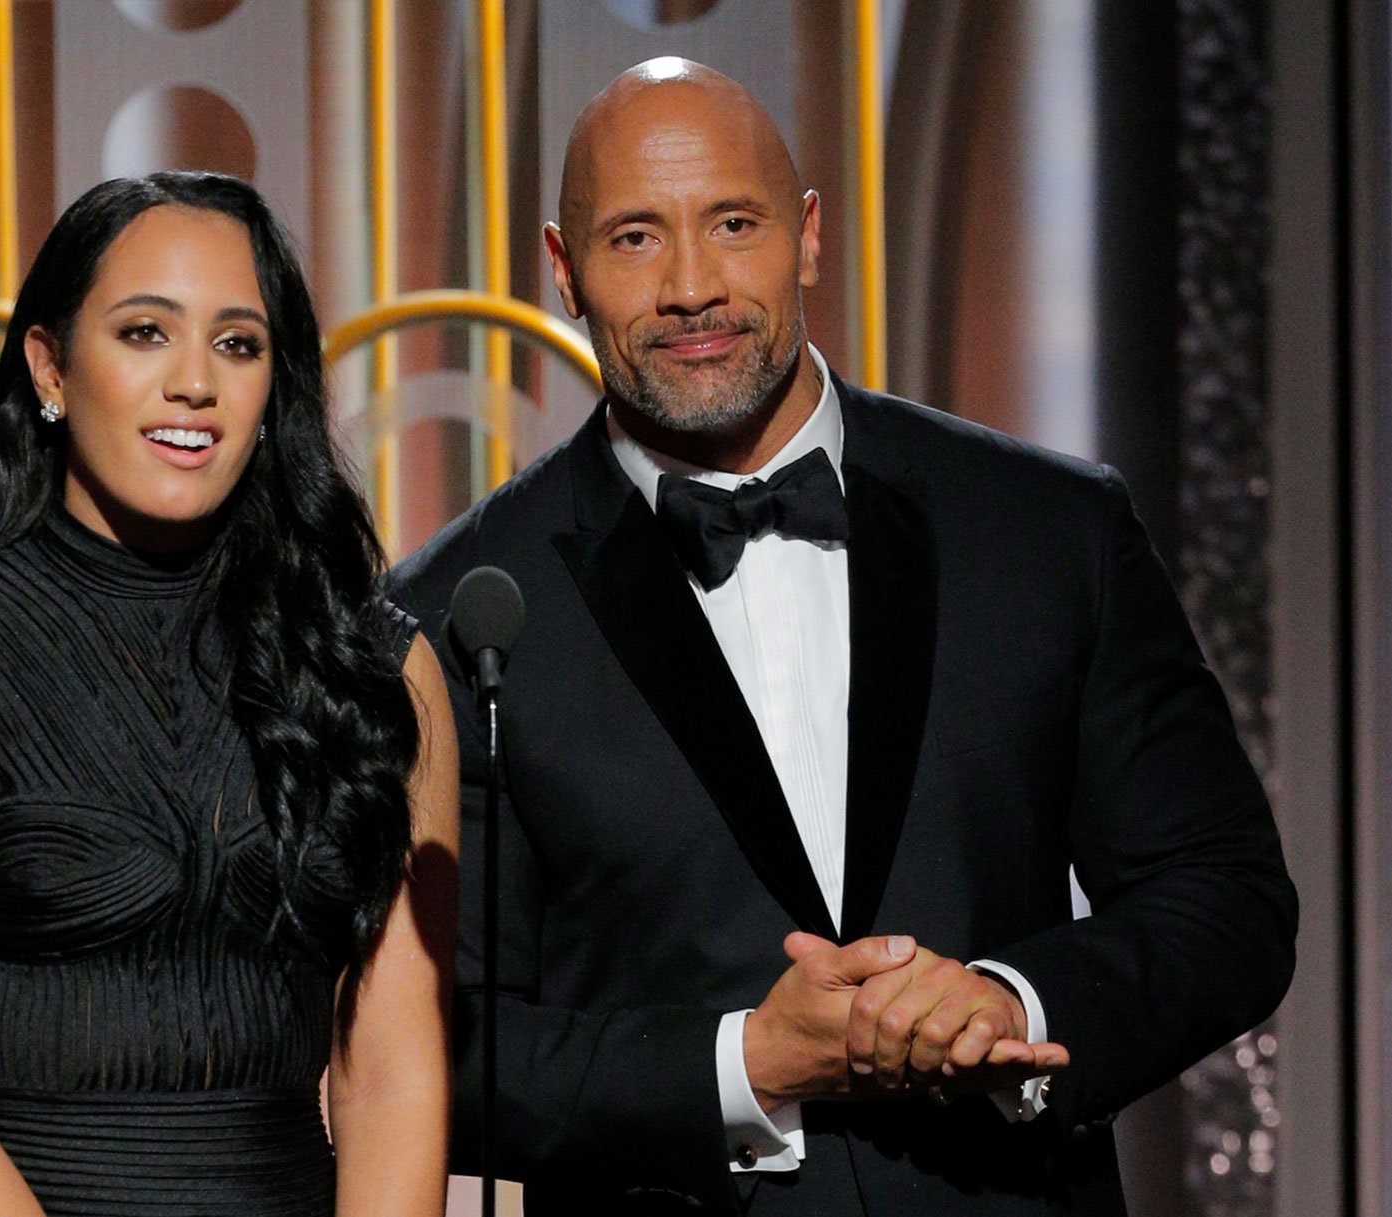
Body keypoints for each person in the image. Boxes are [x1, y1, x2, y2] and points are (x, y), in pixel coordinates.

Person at [389, 58, 1296, 1215]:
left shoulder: (1047, 528)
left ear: (807, 235)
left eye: (731, 223)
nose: (690, 287)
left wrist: (1013, 1000)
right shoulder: (456, 609)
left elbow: (1225, 898)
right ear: (564, 269)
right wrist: (742, 1065)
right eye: (632, 238)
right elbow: (430, 1054)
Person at [0, 171, 459, 1217]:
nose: (193, 381)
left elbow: (392, 1076)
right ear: (49, 366)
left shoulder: (370, 664)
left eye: (237, 344)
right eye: (145, 332)